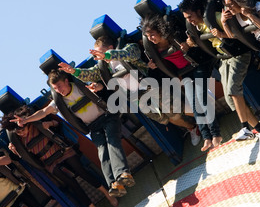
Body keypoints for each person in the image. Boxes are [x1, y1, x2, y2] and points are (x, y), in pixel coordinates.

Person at [59, 35, 202, 147]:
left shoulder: (128, 49)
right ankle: (192, 127)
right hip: (137, 97)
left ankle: (205, 120)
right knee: (165, 118)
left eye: (101, 53)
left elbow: (129, 53)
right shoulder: (104, 66)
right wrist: (73, 71)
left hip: (149, 86)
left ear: (110, 47)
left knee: (176, 110)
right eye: (97, 56)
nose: (100, 57)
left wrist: (108, 56)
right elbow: (90, 74)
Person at [10, 69, 134, 198]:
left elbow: (101, 84)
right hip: (93, 126)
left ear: (66, 81)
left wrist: (97, 87)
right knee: (102, 150)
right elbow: (44, 112)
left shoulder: (80, 86)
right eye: (55, 89)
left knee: (112, 141)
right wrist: (26, 120)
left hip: (107, 117)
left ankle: (122, 173)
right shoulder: (59, 101)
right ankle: (114, 184)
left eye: (60, 86)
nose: (59, 90)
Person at [179, 0, 260, 153]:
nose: (190, 20)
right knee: (231, 100)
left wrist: (222, 27)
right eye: (186, 18)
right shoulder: (198, 27)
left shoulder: (215, 17)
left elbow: (235, 35)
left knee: (234, 91)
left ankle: (245, 128)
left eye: (190, 16)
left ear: (198, 11)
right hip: (223, 59)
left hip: (238, 55)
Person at [0, 105, 116, 207]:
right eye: (18, 133)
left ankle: (107, 194)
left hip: (62, 151)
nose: (22, 134)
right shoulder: (18, 140)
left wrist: (50, 124)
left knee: (81, 171)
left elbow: (57, 123)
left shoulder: (36, 122)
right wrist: (15, 151)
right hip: (49, 162)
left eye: (22, 131)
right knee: (72, 184)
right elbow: (25, 158)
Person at [139, 14, 222, 152]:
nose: (150, 39)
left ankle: (216, 134)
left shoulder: (175, 35)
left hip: (197, 64)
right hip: (185, 73)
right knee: (194, 103)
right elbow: (159, 67)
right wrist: (152, 66)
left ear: (159, 31)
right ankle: (206, 136)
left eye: (152, 35)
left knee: (201, 99)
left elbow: (193, 41)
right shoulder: (154, 49)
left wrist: (189, 44)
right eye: (148, 37)